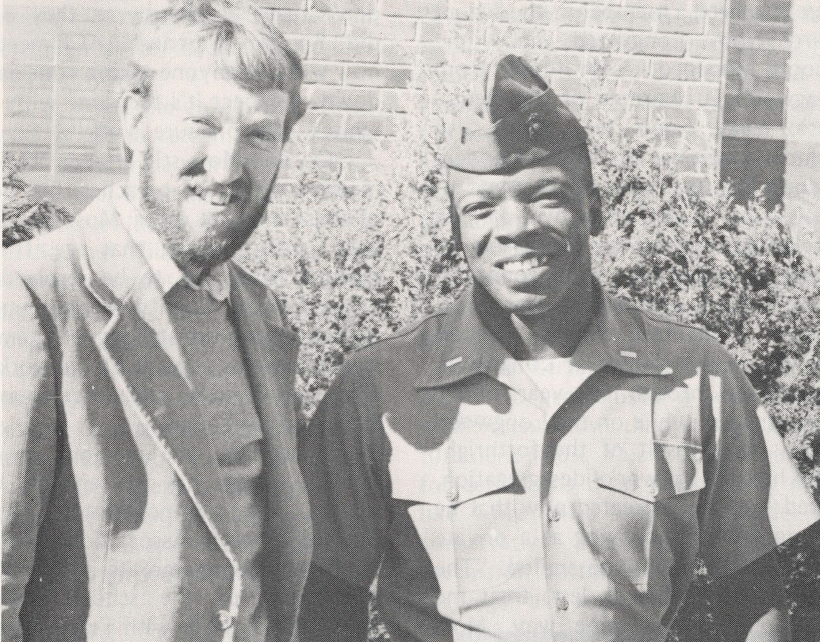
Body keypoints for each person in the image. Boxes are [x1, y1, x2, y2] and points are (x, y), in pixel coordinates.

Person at [297, 55, 820, 642]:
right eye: (481, 208)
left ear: (594, 209)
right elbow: (324, 600)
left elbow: (754, 595)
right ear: (455, 230)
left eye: (545, 196)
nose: (515, 226)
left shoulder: (695, 376)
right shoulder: (380, 389)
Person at [2, 2, 311, 640]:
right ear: (135, 119)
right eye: (202, 123)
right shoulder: (32, 295)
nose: (226, 168)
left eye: (258, 135)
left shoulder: (263, 317)